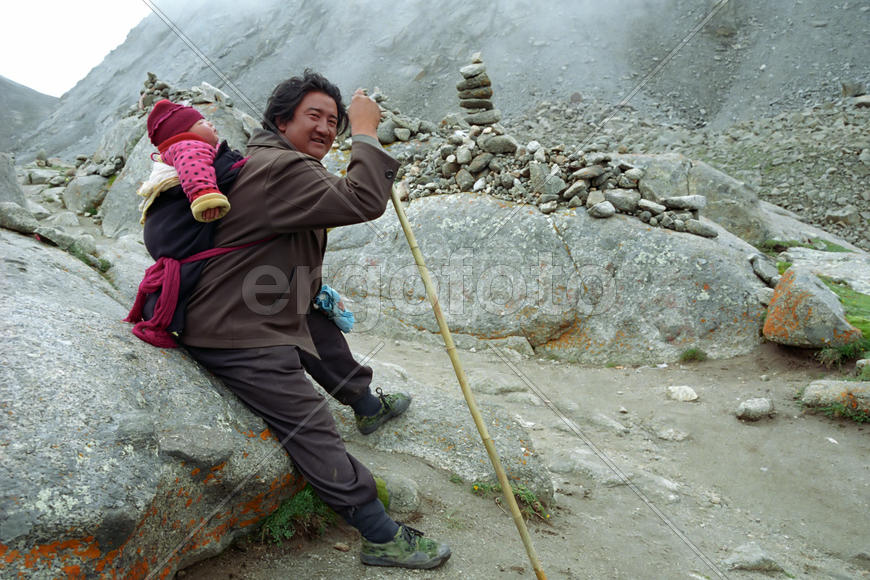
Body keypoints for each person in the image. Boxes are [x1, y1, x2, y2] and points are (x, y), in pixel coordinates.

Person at [177, 70, 451, 570]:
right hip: (236, 334)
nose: (327, 128)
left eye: (334, 119)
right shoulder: (284, 169)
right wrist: (365, 132)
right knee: (311, 426)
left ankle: (366, 404)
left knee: (316, 320)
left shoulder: (270, 160)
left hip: (248, 307)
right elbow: (363, 200)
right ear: (281, 120)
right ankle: (379, 533)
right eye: (314, 116)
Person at [141, 99, 232, 223]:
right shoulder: (188, 147)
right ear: (182, 135)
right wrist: (206, 196)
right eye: (201, 123)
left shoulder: (185, 148)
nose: (210, 124)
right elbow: (193, 169)